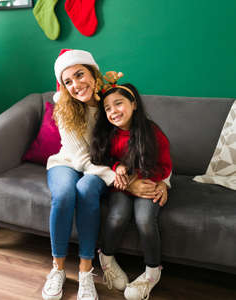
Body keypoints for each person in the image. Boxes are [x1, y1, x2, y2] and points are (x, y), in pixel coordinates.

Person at [43, 49, 120, 300]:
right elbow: (80, 158)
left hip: (98, 166)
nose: (76, 85)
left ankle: (86, 272)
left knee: (86, 190)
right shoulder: (64, 108)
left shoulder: (112, 103)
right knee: (64, 194)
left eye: (80, 75)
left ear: (93, 74)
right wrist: (111, 177)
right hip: (68, 162)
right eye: (68, 81)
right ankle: (58, 269)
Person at [90, 72, 172, 300]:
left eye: (119, 104)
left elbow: (165, 165)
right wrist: (117, 166)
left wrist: (153, 182)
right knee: (117, 216)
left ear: (134, 104)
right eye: (107, 108)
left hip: (149, 183)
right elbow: (102, 160)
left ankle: (152, 272)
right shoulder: (107, 134)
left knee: (145, 219)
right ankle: (106, 258)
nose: (113, 111)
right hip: (121, 187)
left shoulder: (151, 132)